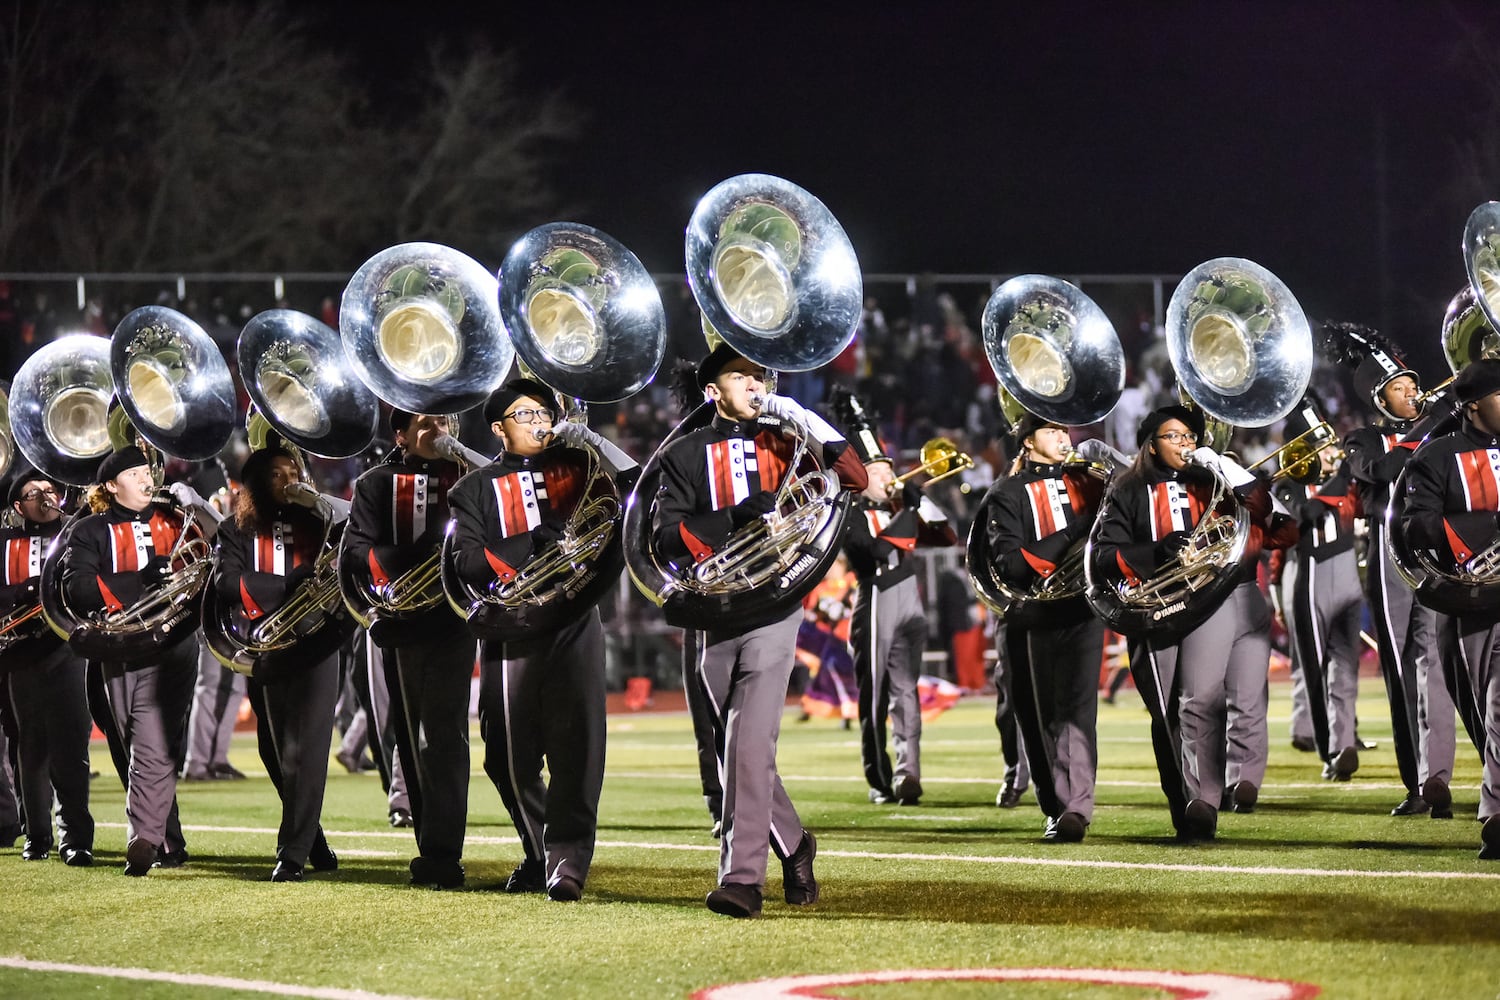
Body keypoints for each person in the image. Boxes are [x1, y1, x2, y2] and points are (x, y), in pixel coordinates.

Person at [653, 344, 867, 917]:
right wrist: (730, 519)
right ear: (711, 391)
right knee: (735, 754)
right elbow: (665, 540)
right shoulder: (684, 453)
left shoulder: (786, 438)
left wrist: (796, 410)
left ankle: (741, 879)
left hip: (775, 605)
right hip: (713, 610)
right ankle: (796, 845)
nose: (754, 383)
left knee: (748, 745)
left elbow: (854, 475)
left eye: (759, 374)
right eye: (740, 375)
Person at [448, 378, 635, 901]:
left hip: (576, 618)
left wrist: (592, 440)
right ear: (498, 428)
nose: (539, 422)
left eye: (543, 413)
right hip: (512, 629)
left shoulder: (578, 469)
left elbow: (641, 490)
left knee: (579, 747)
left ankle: (567, 861)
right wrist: (530, 543)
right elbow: (467, 563)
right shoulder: (473, 489)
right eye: (525, 415)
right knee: (506, 755)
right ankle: (540, 850)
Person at [1089, 405, 1296, 841]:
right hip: (1153, 610)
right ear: (1151, 444)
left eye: (1190, 436)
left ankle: (1204, 801)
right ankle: (1181, 800)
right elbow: (1105, 556)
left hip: (1209, 603)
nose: (1185, 444)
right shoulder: (1125, 490)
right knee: (1166, 713)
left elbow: (1265, 512)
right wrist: (1158, 550)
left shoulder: (1214, 482)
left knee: (1201, 699)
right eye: (1174, 436)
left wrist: (1223, 464)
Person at [59, 446, 218, 875]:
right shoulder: (90, 530)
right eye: (133, 473)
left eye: (146, 470)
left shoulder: (175, 518)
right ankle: (169, 841)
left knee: (151, 733)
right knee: (137, 737)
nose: (147, 478)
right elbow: (78, 589)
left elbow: (217, 554)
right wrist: (139, 580)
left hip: (174, 639)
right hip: (120, 645)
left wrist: (199, 507)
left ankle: (144, 837)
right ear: (111, 485)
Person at [342, 410, 475, 890]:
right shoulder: (376, 483)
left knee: (446, 736)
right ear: (400, 436)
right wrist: (408, 565)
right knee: (410, 738)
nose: (436, 428)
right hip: (401, 623)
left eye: (443, 419)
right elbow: (356, 549)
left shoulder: (467, 472)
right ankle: (430, 843)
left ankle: (445, 853)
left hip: (455, 621)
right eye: (423, 422)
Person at [213, 442, 343, 882]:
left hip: (317, 642)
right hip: (263, 646)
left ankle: (292, 853)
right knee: (275, 754)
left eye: (295, 470)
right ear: (254, 484)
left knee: (304, 751)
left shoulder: (319, 520)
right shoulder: (235, 530)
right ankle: (313, 839)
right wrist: (286, 584)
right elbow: (227, 583)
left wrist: (324, 506)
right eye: (277, 474)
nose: (289, 479)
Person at [1340, 339, 1453, 817]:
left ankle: (1438, 781)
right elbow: (1383, 470)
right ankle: (1415, 781)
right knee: (1400, 667)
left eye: (1412, 384)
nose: (1412, 392)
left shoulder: (1441, 428)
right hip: (1388, 551)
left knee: (1437, 666)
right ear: (1380, 400)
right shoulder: (1363, 439)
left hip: (1434, 548)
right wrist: (1432, 425)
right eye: (1398, 388)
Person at [984, 413, 1108, 841]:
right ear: (1028, 442)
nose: (1063, 436)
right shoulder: (1008, 492)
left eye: (1064, 428)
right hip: (1032, 615)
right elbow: (1014, 565)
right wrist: (1075, 532)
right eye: (1051, 430)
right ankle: (1054, 806)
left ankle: (1075, 807)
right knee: (1036, 716)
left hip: (1082, 608)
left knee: (1076, 709)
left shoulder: (1090, 482)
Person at [1400, 358, 1500, 860]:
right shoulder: (1437, 456)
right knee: (1486, 712)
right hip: (1470, 601)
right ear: (1475, 403)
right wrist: (1487, 532)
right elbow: (1417, 526)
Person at [839, 399, 957, 806]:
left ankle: (910, 774)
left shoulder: (900, 507)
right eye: (879, 470)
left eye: (890, 467)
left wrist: (919, 500)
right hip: (876, 596)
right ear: (860, 477)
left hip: (909, 596)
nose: (890, 475)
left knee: (907, 691)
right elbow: (874, 550)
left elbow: (945, 536)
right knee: (873, 694)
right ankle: (878, 777)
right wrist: (907, 508)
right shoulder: (848, 513)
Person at [0, 470, 93, 864]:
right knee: (31, 747)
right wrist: (22, 595)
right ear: (19, 506)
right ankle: (36, 835)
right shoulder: (4, 543)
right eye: (33, 492)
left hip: (67, 651)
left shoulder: (76, 534)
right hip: (21, 655)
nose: (45, 495)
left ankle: (74, 838)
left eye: (50, 489)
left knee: (72, 747)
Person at [1272, 401, 1364, 780]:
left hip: (1345, 571)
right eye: (1319, 444)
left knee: (1345, 667)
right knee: (1311, 665)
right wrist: (1341, 474)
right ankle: (1322, 745)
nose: (1329, 451)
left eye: (1328, 443)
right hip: (1307, 572)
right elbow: (1305, 514)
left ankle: (1343, 745)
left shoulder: (1345, 482)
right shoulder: (1285, 484)